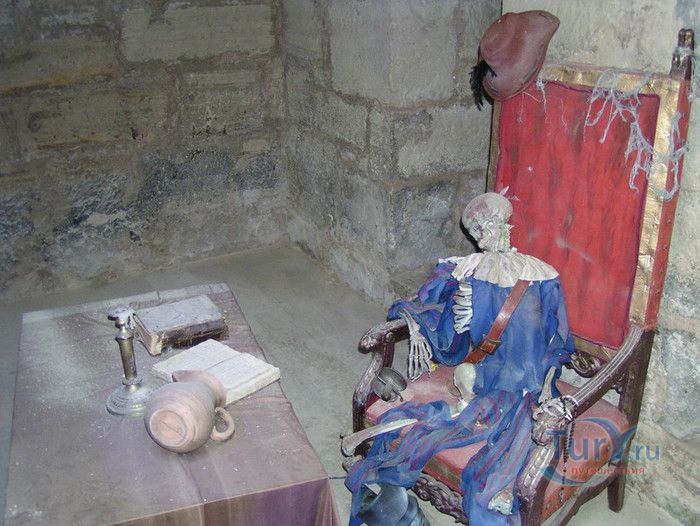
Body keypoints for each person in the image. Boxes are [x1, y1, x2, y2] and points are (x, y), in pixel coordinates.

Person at [346, 192, 574, 526]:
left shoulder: (516, 272)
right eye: (477, 230)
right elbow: (558, 341)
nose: (482, 235)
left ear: (497, 227)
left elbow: (555, 339)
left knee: (472, 421)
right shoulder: (483, 270)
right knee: (458, 392)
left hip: (516, 382)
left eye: (484, 227)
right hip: (505, 377)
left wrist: (541, 378)